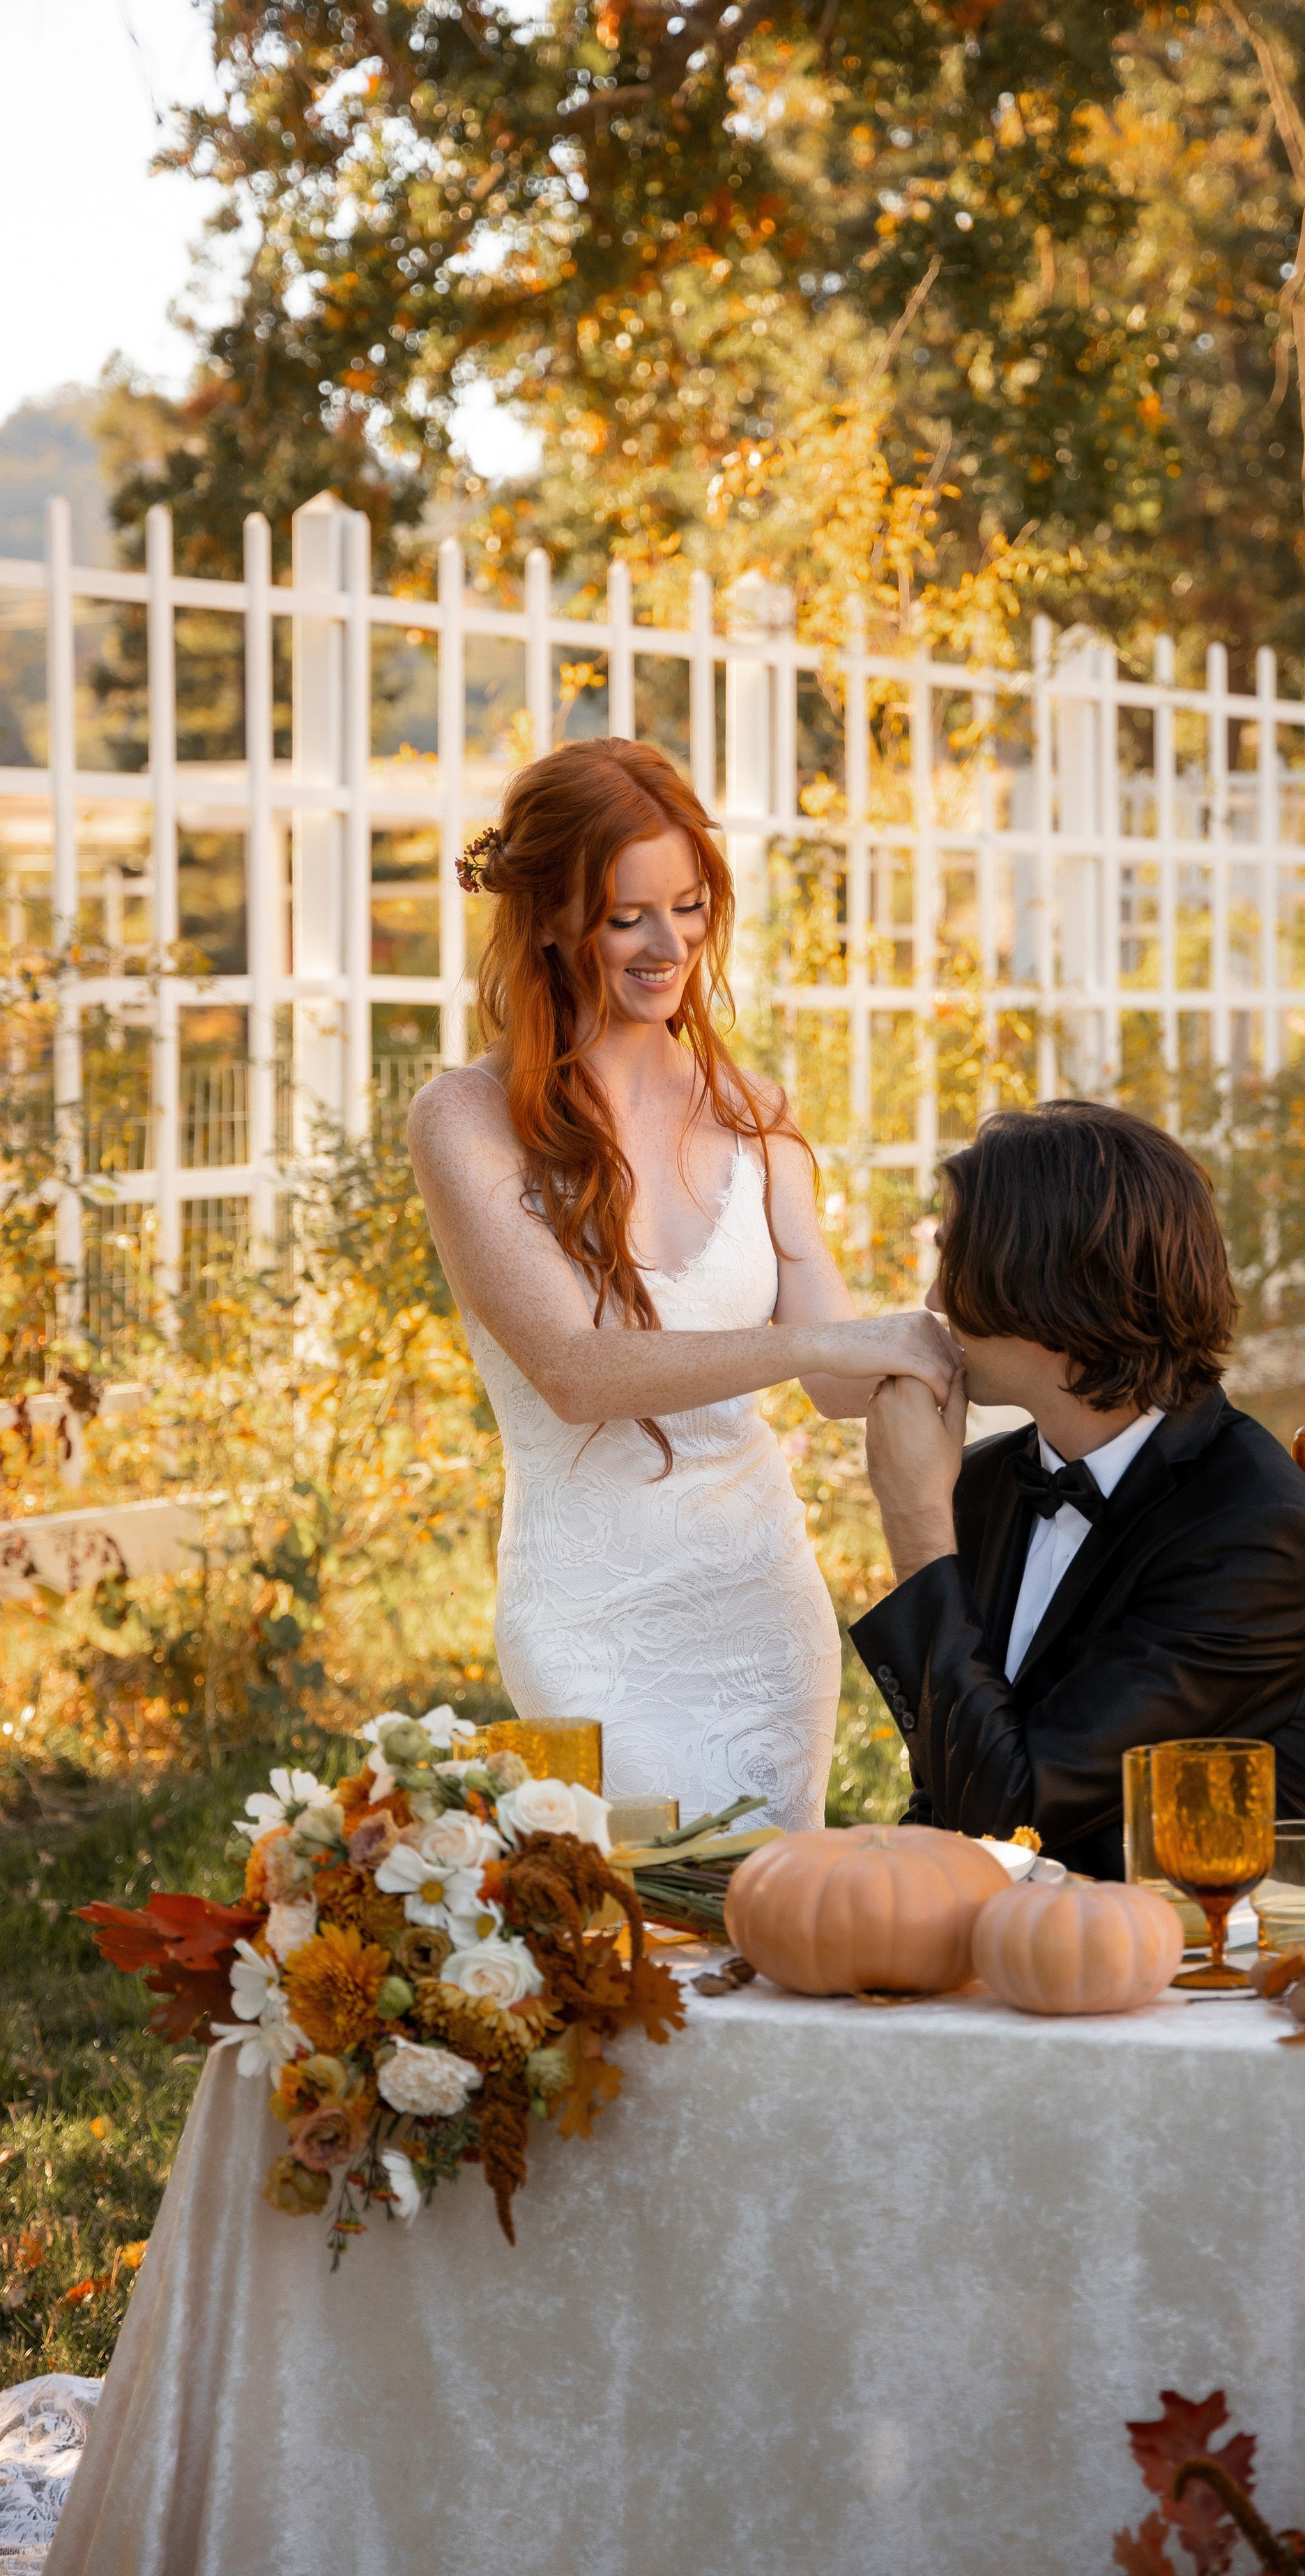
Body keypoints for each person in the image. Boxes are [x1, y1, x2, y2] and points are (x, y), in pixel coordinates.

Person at [408, 738, 959, 1831]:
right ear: (554, 917)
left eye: (692, 906)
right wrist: (819, 1349)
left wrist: (960, 1291)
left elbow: (844, 1383)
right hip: (587, 1615)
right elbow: (576, 1371)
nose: (671, 946)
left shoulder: (756, 1108)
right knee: (636, 1939)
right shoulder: (466, 1120)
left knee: (764, 1929)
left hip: (762, 1606)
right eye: (630, 917)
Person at [849, 1101, 1305, 1873]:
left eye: (956, 1263)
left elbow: (1011, 1814)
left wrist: (914, 1525)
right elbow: (947, 1797)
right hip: (998, 1952)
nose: (935, 1301)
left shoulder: (1250, 1532)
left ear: (1051, 1290)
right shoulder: (983, 1484)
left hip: (1184, 1960)